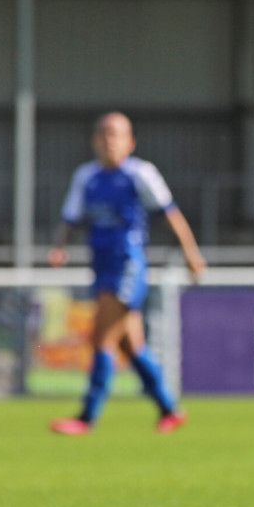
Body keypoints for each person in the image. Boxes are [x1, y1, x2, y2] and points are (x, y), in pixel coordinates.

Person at [48, 112, 206, 436]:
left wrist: (192, 254)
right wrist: (59, 246)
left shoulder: (140, 173)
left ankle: (86, 418)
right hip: (101, 264)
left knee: (101, 337)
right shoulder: (86, 176)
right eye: (104, 133)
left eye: (116, 134)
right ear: (94, 140)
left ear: (130, 142)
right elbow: (71, 218)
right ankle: (170, 409)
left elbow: (170, 215)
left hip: (128, 264)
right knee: (131, 346)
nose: (109, 140)